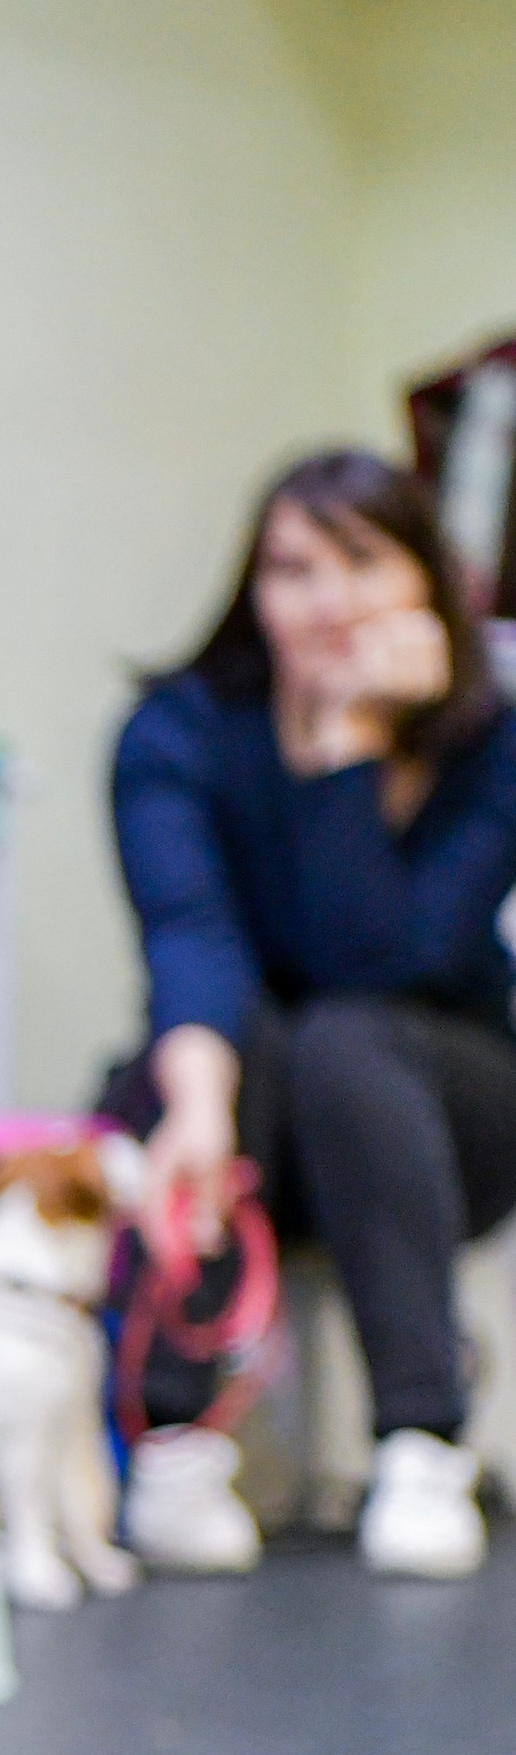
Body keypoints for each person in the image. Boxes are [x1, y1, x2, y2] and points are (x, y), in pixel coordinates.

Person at [109, 448, 516, 1583]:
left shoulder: (493, 747)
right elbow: (190, 941)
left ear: (429, 583)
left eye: (361, 563)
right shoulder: (174, 735)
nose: (327, 600)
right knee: (209, 1061)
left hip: (452, 1102)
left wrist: (348, 749)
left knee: (344, 1038)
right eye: (293, 568)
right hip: (256, 1100)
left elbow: (387, 958)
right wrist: (196, 1103)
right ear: (252, 587)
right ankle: (175, 1441)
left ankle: (424, 1441)